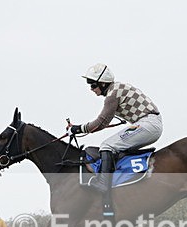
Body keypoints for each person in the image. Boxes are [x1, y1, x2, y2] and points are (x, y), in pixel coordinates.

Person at [69, 63, 162, 216]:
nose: (91, 88)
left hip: (147, 124)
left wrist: (78, 128)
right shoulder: (116, 89)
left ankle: (103, 184)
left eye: (92, 84)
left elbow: (101, 122)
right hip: (148, 123)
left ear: (103, 83)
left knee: (107, 145)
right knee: (113, 145)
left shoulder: (112, 95)